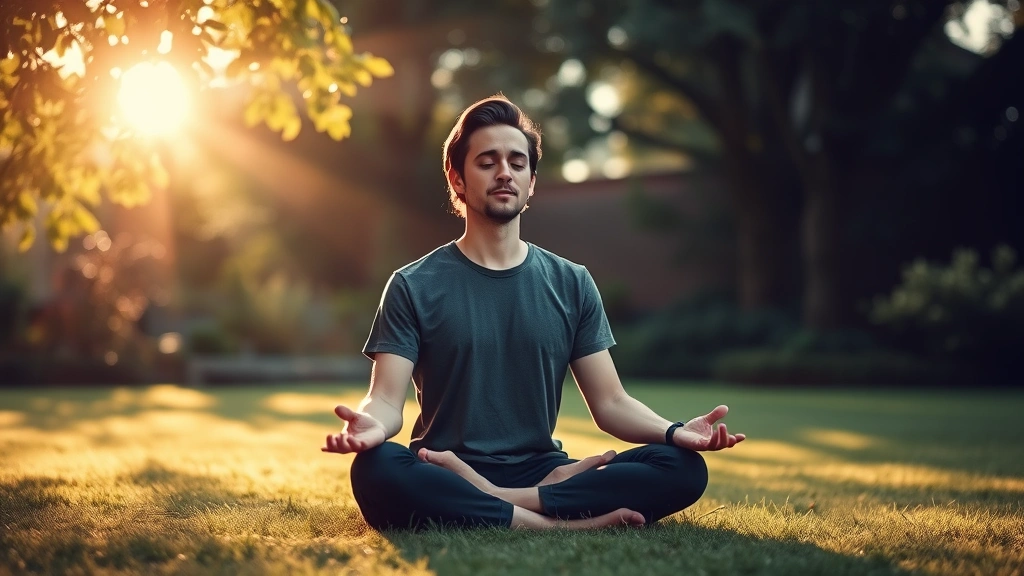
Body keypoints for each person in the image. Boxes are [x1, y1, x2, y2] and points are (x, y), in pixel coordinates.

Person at [322, 95, 745, 531]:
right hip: (444, 466)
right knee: (377, 467)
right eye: (487, 162)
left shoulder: (571, 282)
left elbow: (611, 402)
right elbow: (388, 397)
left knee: (683, 466)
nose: (505, 172)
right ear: (458, 179)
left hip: (543, 471)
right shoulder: (413, 284)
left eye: (517, 162)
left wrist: (676, 433)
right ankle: (557, 523)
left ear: (531, 181)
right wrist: (370, 426)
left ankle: (500, 502)